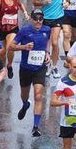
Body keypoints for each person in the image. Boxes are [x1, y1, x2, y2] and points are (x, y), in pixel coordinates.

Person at [10, 9, 56, 137]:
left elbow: (48, 42)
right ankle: (25, 104)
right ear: (31, 19)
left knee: (38, 95)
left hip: (40, 68)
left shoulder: (47, 30)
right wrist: (24, 47)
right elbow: (11, 46)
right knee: (24, 94)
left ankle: (36, 127)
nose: (38, 21)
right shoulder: (24, 31)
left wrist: (47, 53)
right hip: (26, 68)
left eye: (40, 19)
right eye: (35, 19)